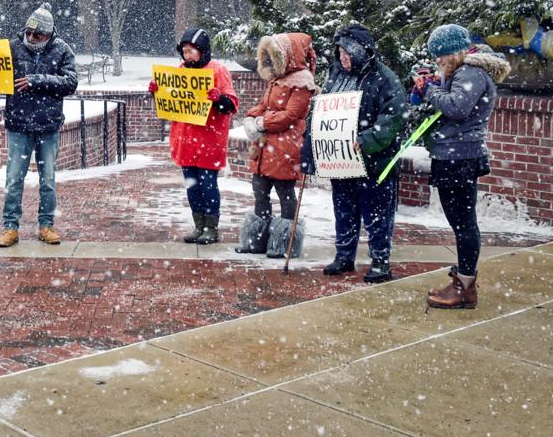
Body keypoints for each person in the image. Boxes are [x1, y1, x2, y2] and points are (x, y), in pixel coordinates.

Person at [300, 24, 409, 283]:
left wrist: (368, 139)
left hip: (374, 162)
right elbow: (320, 114)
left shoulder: (385, 78)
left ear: (361, 51)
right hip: (342, 162)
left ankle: (381, 261)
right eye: (340, 54)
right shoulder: (336, 77)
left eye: (347, 54)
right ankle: (344, 255)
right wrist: (310, 150)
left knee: (378, 215)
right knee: (344, 211)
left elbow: (395, 117)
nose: (342, 59)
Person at [412, 24, 509, 309]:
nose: (438, 61)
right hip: (451, 155)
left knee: (464, 224)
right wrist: (425, 89)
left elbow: (457, 107)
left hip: (461, 157)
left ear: (454, 52)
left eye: (440, 56)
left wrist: (430, 89)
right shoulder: (459, 73)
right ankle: (464, 281)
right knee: (459, 223)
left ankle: (465, 287)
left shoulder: (471, 73)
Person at [0, 4, 78, 247]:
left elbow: (71, 82)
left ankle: (46, 225)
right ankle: (10, 227)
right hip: (19, 125)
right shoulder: (11, 47)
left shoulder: (62, 50)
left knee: (48, 181)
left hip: (48, 126)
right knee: (14, 179)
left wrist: (37, 80)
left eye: (38, 35)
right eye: (28, 33)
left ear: (49, 35)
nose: (31, 38)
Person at [149, 27, 239, 244]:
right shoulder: (180, 71)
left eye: (192, 51)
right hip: (186, 141)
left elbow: (231, 104)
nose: (187, 55)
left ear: (203, 51)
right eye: (185, 51)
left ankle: (211, 227)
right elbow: (173, 102)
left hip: (209, 141)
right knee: (192, 185)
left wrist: (218, 99)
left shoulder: (218, 71)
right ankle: (199, 225)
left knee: (208, 185)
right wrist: (157, 92)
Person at [236, 32, 316, 258]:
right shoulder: (277, 80)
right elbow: (264, 104)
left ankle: (283, 243)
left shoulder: (301, 83)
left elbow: (291, 115)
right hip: (265, 147)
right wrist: (251, 117)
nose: (269, 62)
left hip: (285, 147)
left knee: (284, 193)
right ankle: (257, 240)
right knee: (260, 191)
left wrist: (262, 122)